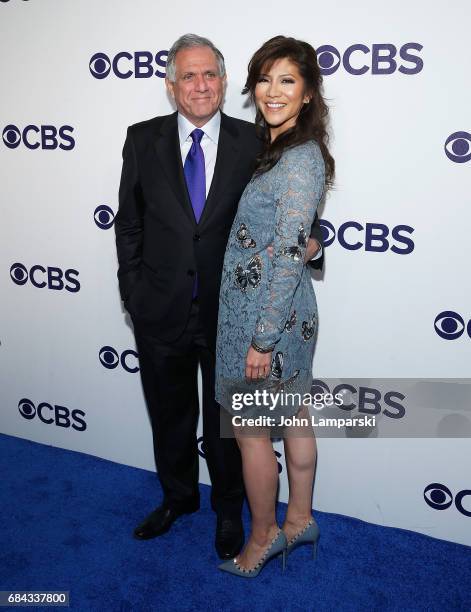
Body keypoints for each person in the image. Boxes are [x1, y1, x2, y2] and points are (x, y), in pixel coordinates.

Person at [114, 33, 324, 560]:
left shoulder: (259, 142)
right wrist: (133, 292)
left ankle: (231, 510)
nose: (200, 85)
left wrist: (314, 248)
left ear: (226, 84)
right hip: (160, 308)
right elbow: (129, 225)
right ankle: (177, 498)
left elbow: (292, 223)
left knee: (232, 428)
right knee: (170, 414)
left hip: (232, 315)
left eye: (210, 74)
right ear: (170, 85)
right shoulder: (141, 140)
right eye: (188, 75)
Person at [216, 35, 335, 576]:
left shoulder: (298, 160)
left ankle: (262, 538)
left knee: (251, 431)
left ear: (308, 92)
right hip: (280, 311)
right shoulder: (286, 150)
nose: (272, 91)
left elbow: (288, 253)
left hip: (265, 319)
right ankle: (301, 520)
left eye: (287, 79)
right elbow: (298, 238)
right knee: (294, 416)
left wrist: (261, 340)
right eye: (264, 79)